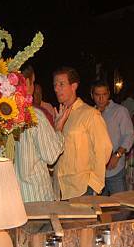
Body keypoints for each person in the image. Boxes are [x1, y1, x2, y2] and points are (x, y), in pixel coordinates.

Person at [53, 66, 112, 199]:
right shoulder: (58, 115)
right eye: (55, 85)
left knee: (84, 221)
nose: (56, 89)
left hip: (82, 189)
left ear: (74, 86)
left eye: (61, 84)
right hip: (60, 189)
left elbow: (104, 148)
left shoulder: (89, 114)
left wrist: (94, 185)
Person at [14, 66, 64, 202]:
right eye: (33, 82)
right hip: (35, 196)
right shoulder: (34, 115)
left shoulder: (3, 114)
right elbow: (51, 156)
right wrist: (58, 130)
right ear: (27, 84)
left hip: (12, 196)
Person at [91, 80, 134, 195]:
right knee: (95, 207)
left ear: (109, 94)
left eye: (104, 95)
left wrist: (117, 155)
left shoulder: (120, 111)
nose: (101, 99)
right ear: (92, 95)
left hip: (114, 168)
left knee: (121, 206)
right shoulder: (89, 113)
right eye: (97, 95)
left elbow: (129, 135)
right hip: (94, 170)